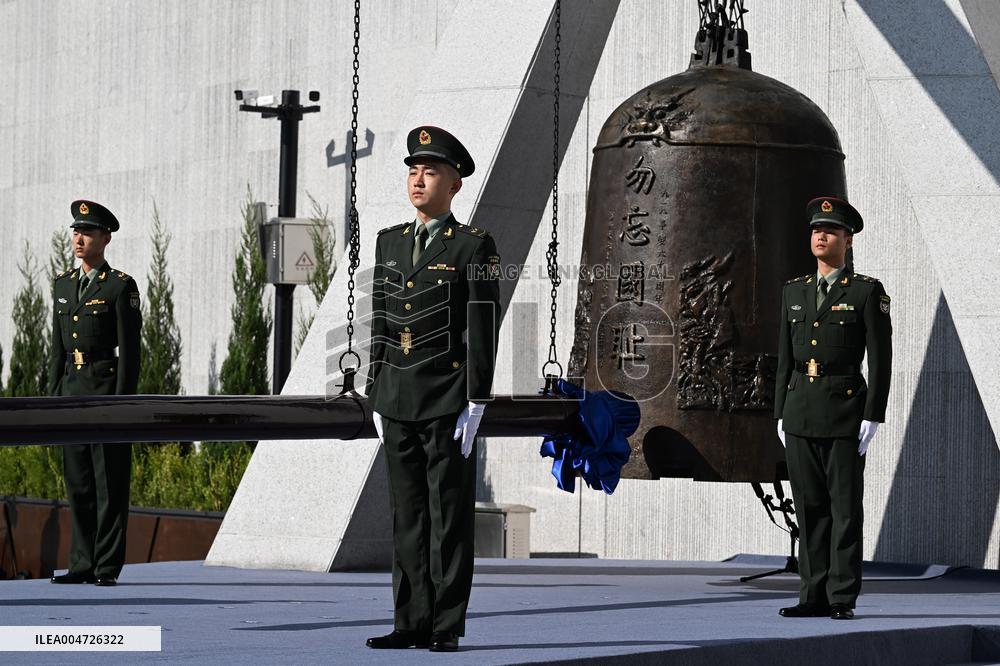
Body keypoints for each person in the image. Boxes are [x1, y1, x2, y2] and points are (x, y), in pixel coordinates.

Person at [364, 126, 501, 652]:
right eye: (414, 171)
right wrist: (376, 390)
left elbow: (482, 325)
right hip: (396, 397)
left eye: (431, 172)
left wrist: (477, 400)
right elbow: (381, 319)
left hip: (447, 398)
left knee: (448, 517)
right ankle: (410, 621)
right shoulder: (390, 241)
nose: (418, 180)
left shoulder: (473, 246)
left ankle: (445, 623)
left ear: (455, 184)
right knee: (407, 517)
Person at [774, 197, 892, 620]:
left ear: (848, 240)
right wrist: (780, 412)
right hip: (800, 411)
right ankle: (812, 595)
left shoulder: (865, 292)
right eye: (815, 230)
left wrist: (873, 414)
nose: (820, 236)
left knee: (844, 509)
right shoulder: (794, 291)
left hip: (845, 413)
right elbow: (784, 358)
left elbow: (881, 358)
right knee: (809, 509)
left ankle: (841, 596)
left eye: (830, 231)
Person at [48, 200, 142, 587]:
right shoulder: (62, 285)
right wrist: (52, 398)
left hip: (105, 391)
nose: (79, 239)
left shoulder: (120, 285)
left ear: (105, 238)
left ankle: (105, 567)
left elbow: (131, 352)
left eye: (87, 232)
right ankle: (81, 563)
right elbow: (56, 349)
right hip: (71, 393)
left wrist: (122, 403)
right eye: (76, 232)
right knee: (79, 483)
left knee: (109, 483)